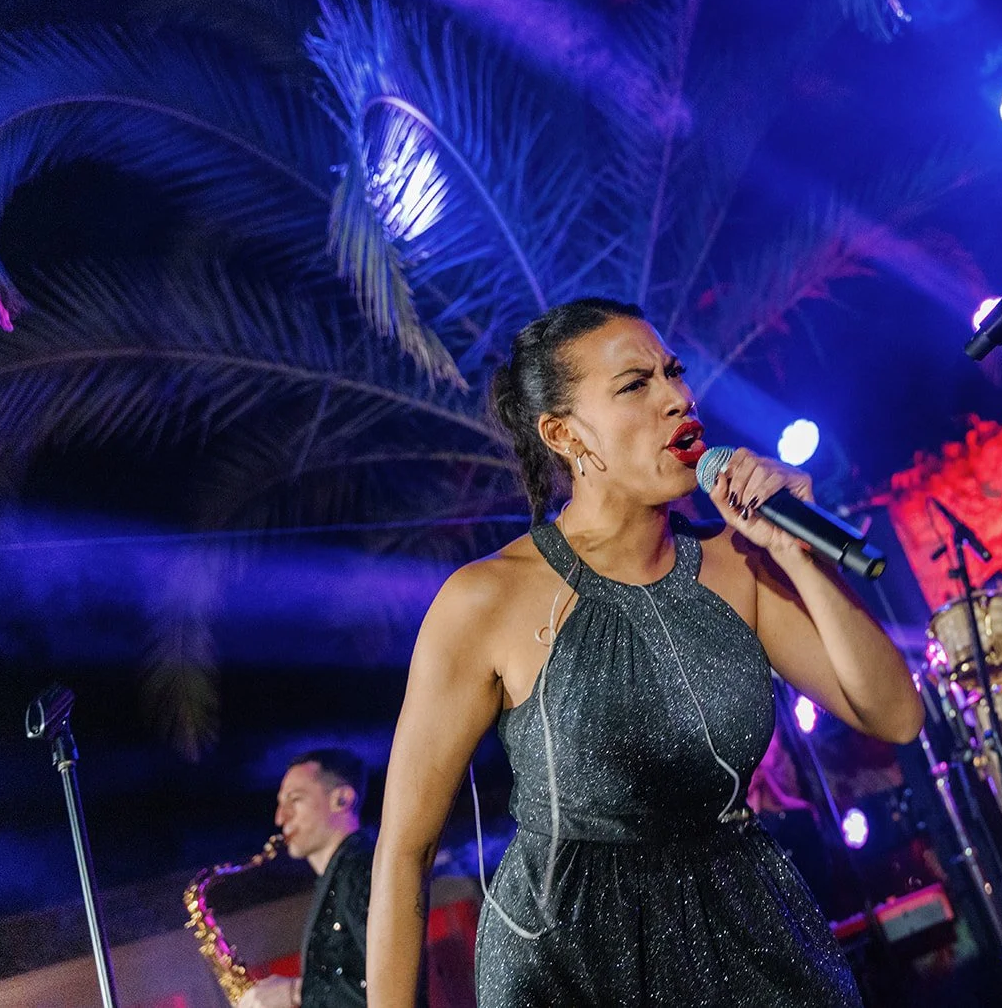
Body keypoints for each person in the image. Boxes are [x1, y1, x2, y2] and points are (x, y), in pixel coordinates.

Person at [365, 298, 922, 1007]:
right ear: (565, 435)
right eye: (636, 385)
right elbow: (403, 850)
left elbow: (898, 715)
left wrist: (802, 558)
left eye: (674, 373)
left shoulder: (739, 565)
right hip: (571, 963)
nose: (677, 398)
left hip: (750, 936)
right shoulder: (486, 600)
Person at [240, 749, 377, 1008]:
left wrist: (294, 993)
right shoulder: (341, 874)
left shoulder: (359, 868)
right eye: (280, 804)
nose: (280, 818)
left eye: (295, 799)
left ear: (342, 799)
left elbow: (391, 984)